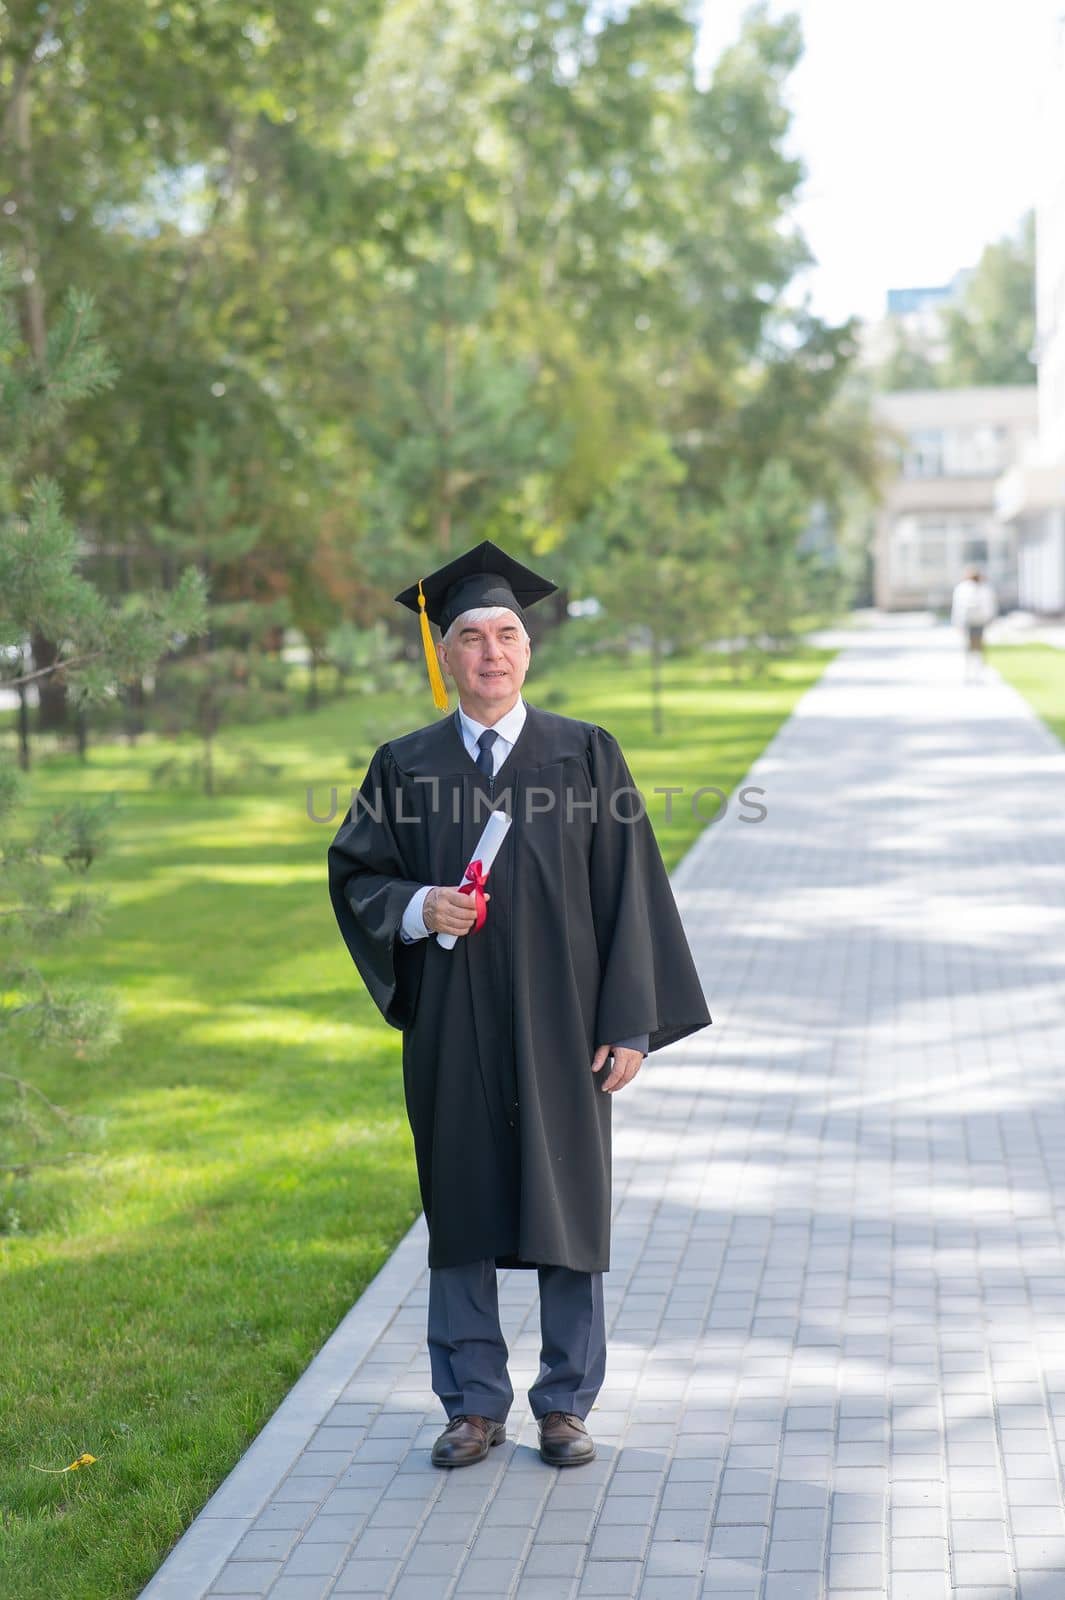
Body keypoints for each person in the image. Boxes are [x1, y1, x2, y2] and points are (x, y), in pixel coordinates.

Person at [327, 538, 711, 1470]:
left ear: (529, 650)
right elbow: (356, 876)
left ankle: (564, 1404)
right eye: (469, 637)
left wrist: (629, 1025)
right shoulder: (404, 766)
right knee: (458, 1204)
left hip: (563, 1024)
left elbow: (631, 895)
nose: (490, 653)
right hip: (454, 1022)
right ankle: (471, 1404)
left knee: (566, 1204)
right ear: (444, 654)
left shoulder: (584, 755)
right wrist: (418, 907)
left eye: (506, 634)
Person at [950, 565, 998, 682]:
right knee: (978, 646)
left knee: (969, 647)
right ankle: (976, 670)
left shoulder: (963, 588)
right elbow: (990, 607)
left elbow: (957, 607)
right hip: (977, 621)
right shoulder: (983, 589)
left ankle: (971, 671)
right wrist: (990, 619)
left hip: (970, 621)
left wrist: (956, 622)